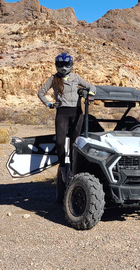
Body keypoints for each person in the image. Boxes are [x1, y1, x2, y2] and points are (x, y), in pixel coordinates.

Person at [38, 52, 96, 183]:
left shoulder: (76, 77)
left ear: (71, 65)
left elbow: (92, 87)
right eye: (60, 64)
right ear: (56, 65)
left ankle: (73, 171)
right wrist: (49, 104)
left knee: (75, 144)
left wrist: (89, 96)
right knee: (60, 142)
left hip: (76, 113)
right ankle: (63, 167)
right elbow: (41, 92)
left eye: (66, 64)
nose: (63, 67)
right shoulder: (53, 79)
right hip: (62, 113)